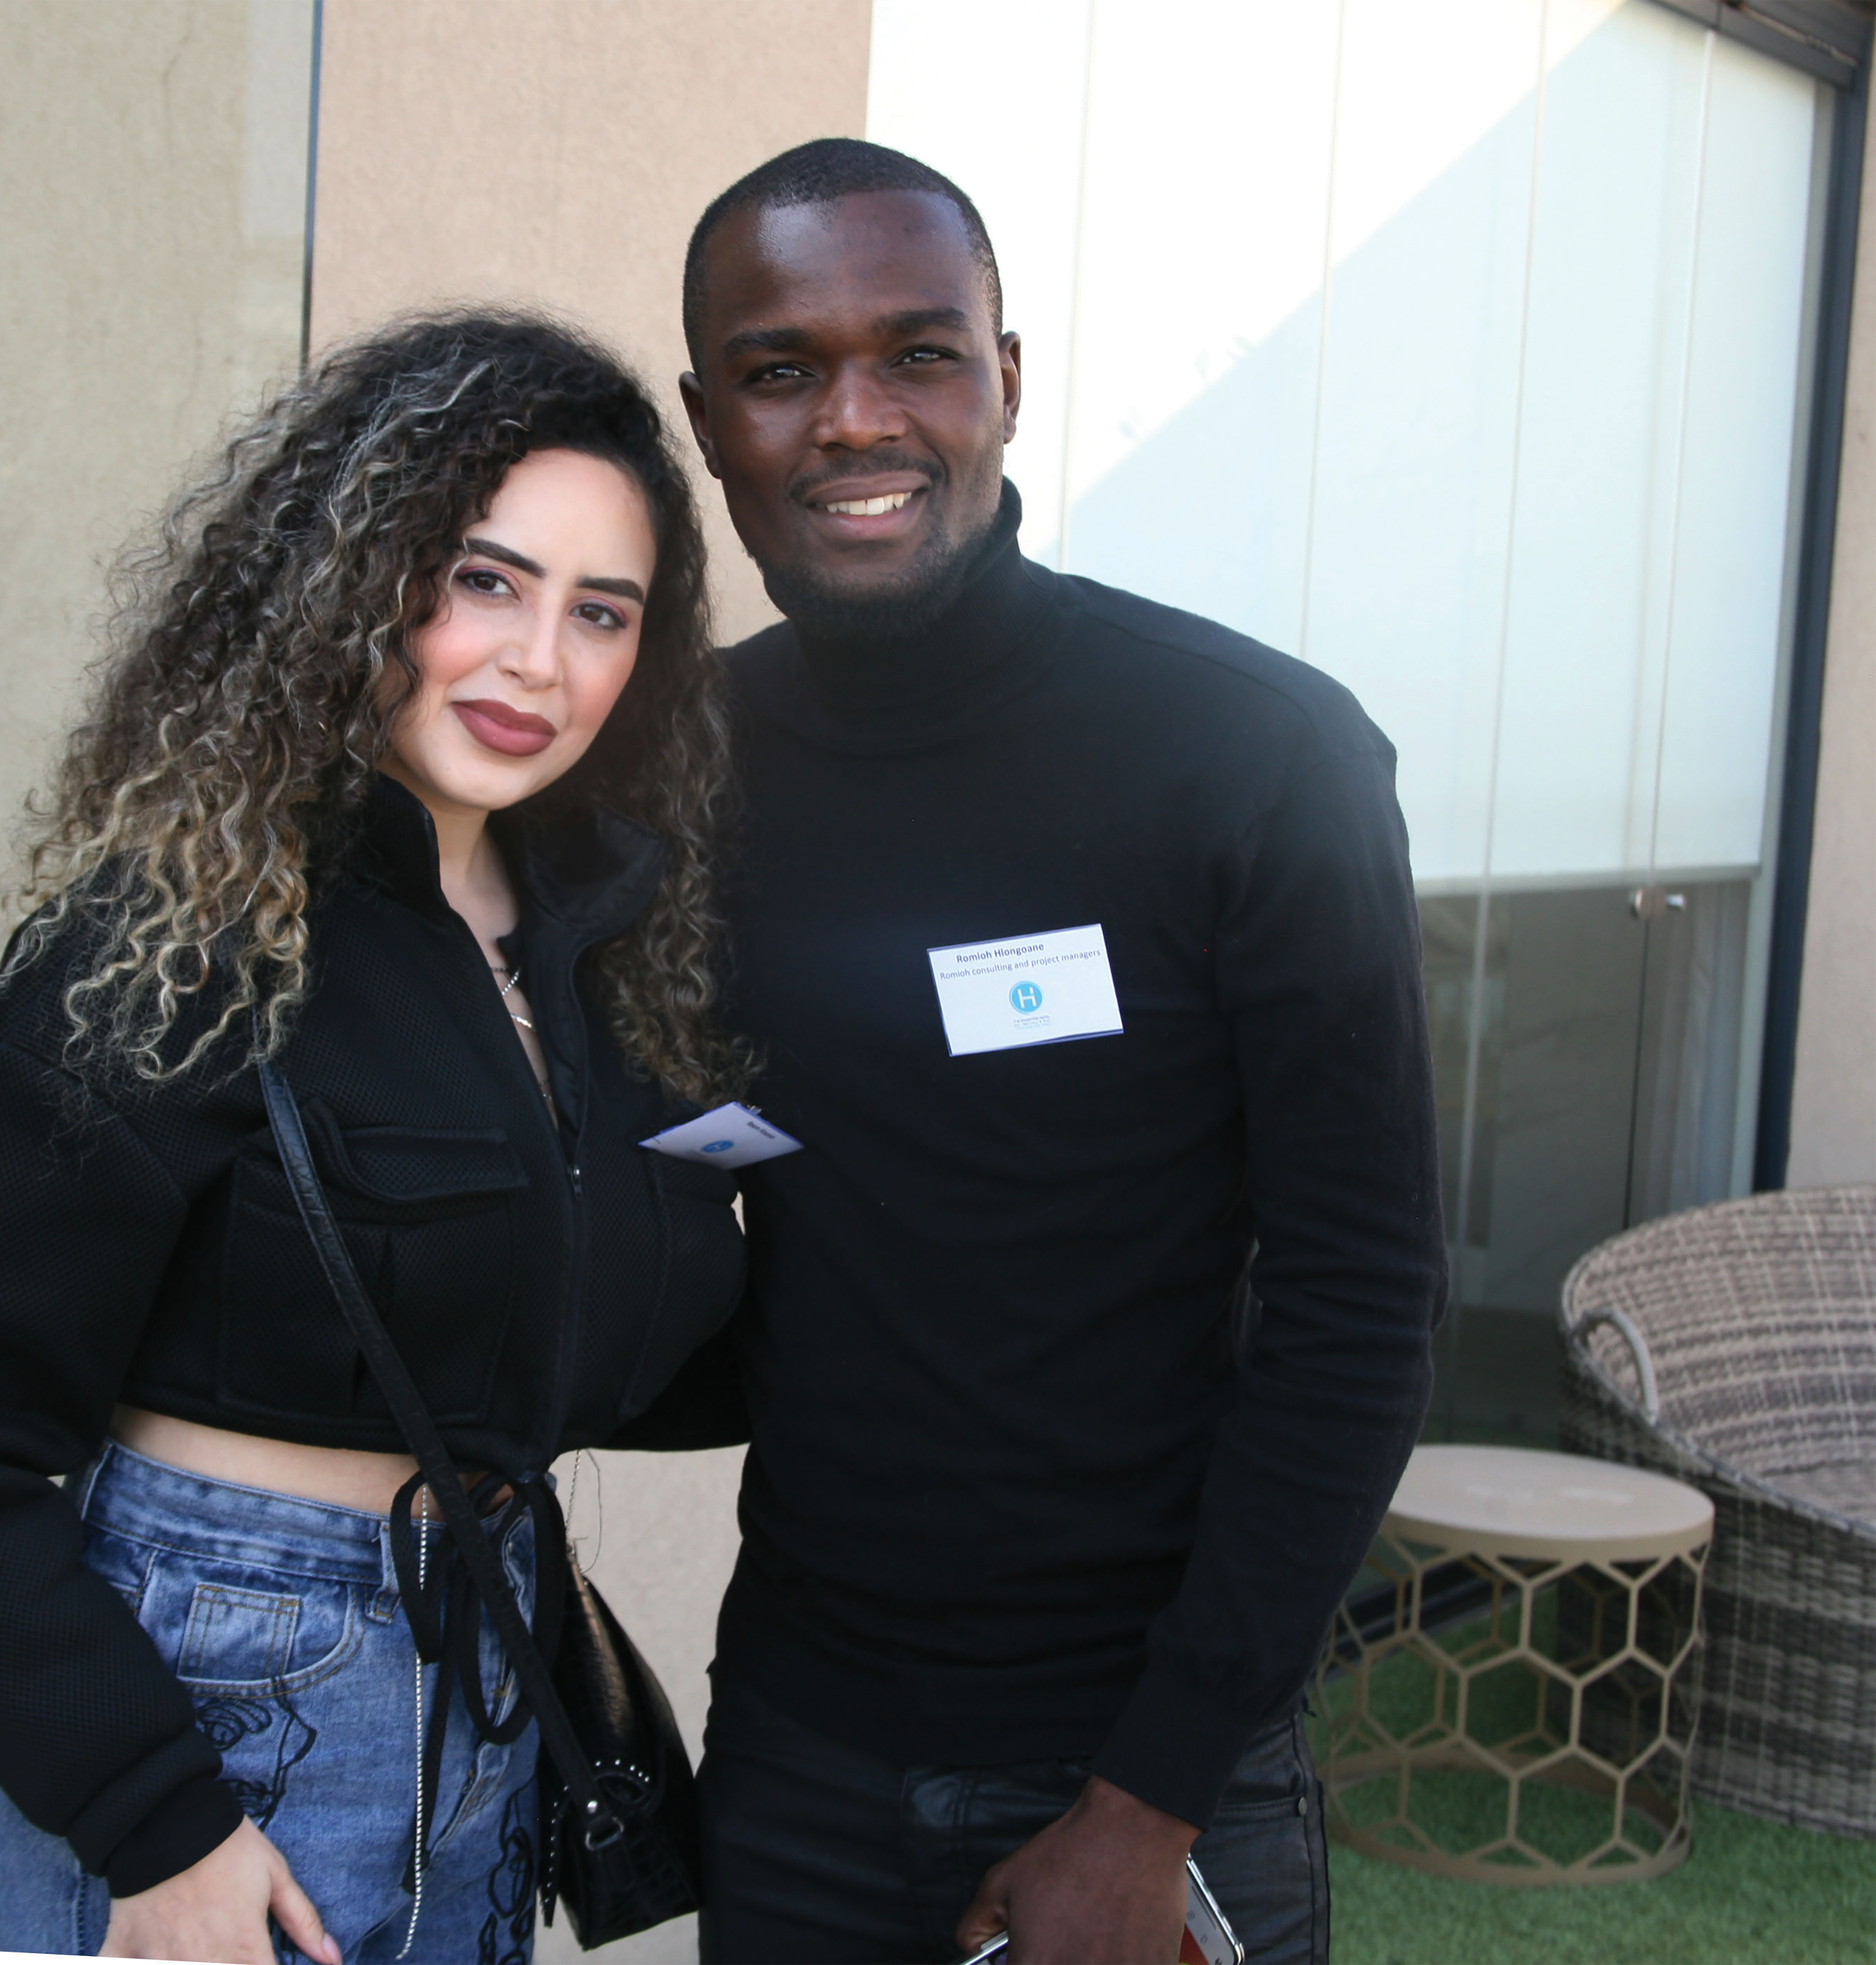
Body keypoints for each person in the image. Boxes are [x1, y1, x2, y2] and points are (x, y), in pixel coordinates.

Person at [0, 314, 749, 1965]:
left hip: (476, 1678)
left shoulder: (597, 947)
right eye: (483, 580)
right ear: (350, 581)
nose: (540, 660)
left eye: (597, 611)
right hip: (219, 1717)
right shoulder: (175, 939)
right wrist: (155, 1828)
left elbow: (578, 1338)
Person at [659, 139, 1447, 1965]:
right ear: (708, 420)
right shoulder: (663, 776)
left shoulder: (1254, 759)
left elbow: (1360, 1300)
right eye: (780, 370)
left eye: (918, 352)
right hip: (800, 1739)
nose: (853, 420)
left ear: (1005, 379)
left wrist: (1148, 1794)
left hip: (1151, 1760)